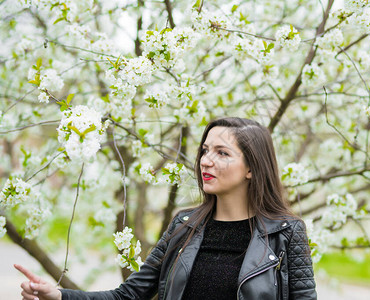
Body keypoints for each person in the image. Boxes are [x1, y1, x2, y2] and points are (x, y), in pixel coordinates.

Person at [16, 117, 317, 300]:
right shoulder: (184, 225)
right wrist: (58, 295)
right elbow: (130, 295)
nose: (206, 161)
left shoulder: (286, 233)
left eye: (222, 153)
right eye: (205, 150)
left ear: (251, 168)